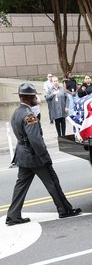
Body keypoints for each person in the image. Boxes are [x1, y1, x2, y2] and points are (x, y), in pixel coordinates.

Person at [5, 83, 81, 226]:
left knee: (20, 186)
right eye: (34, 96)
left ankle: (13, 215)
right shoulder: (29, 116)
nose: (36, 98)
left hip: (23, 155)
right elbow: (36, 140)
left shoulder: (17, 112)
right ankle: (64, 209)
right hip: (35, 156)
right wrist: (45, 157)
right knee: (52, 181)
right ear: (28, 98)